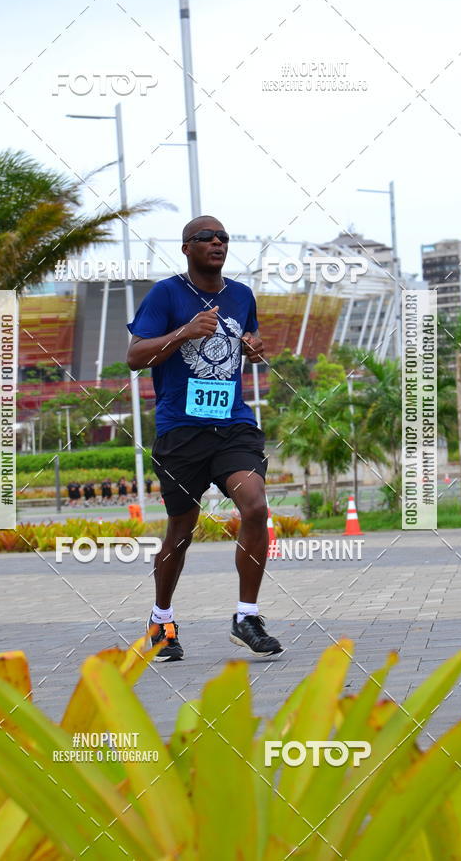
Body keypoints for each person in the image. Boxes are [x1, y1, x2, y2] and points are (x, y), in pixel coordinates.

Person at [127, 215, 282, 662]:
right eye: (206, 237)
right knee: (181, 531)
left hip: (233, 425)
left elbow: (249, 341)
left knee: (255, 505)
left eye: (223, 238)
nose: (217, 242)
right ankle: (161, 620)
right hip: (181, 431)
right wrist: (184, 332)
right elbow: (135, 356)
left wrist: (254, 348)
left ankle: (246, 617)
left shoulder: (241, 295)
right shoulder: (166, 294)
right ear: (186, 248)